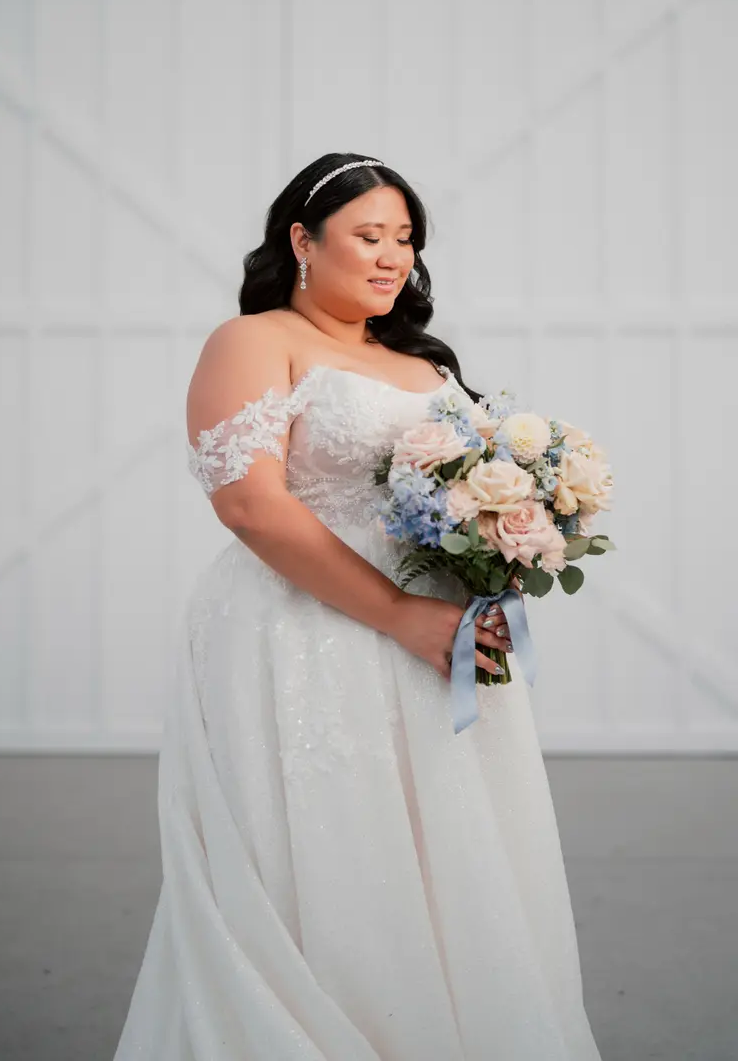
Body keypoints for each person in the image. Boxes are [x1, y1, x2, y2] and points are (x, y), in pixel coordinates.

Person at [112, 153, 603, 1059]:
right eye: (368, 236)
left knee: (453, 858)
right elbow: (249, 503)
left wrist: (500, 552)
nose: (391, 258)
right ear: (302, 241)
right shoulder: (256, 339)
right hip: (305, 632)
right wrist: (398, 614)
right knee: (336, 863)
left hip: (440, 640)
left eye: (405, 239)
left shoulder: (415, 357)